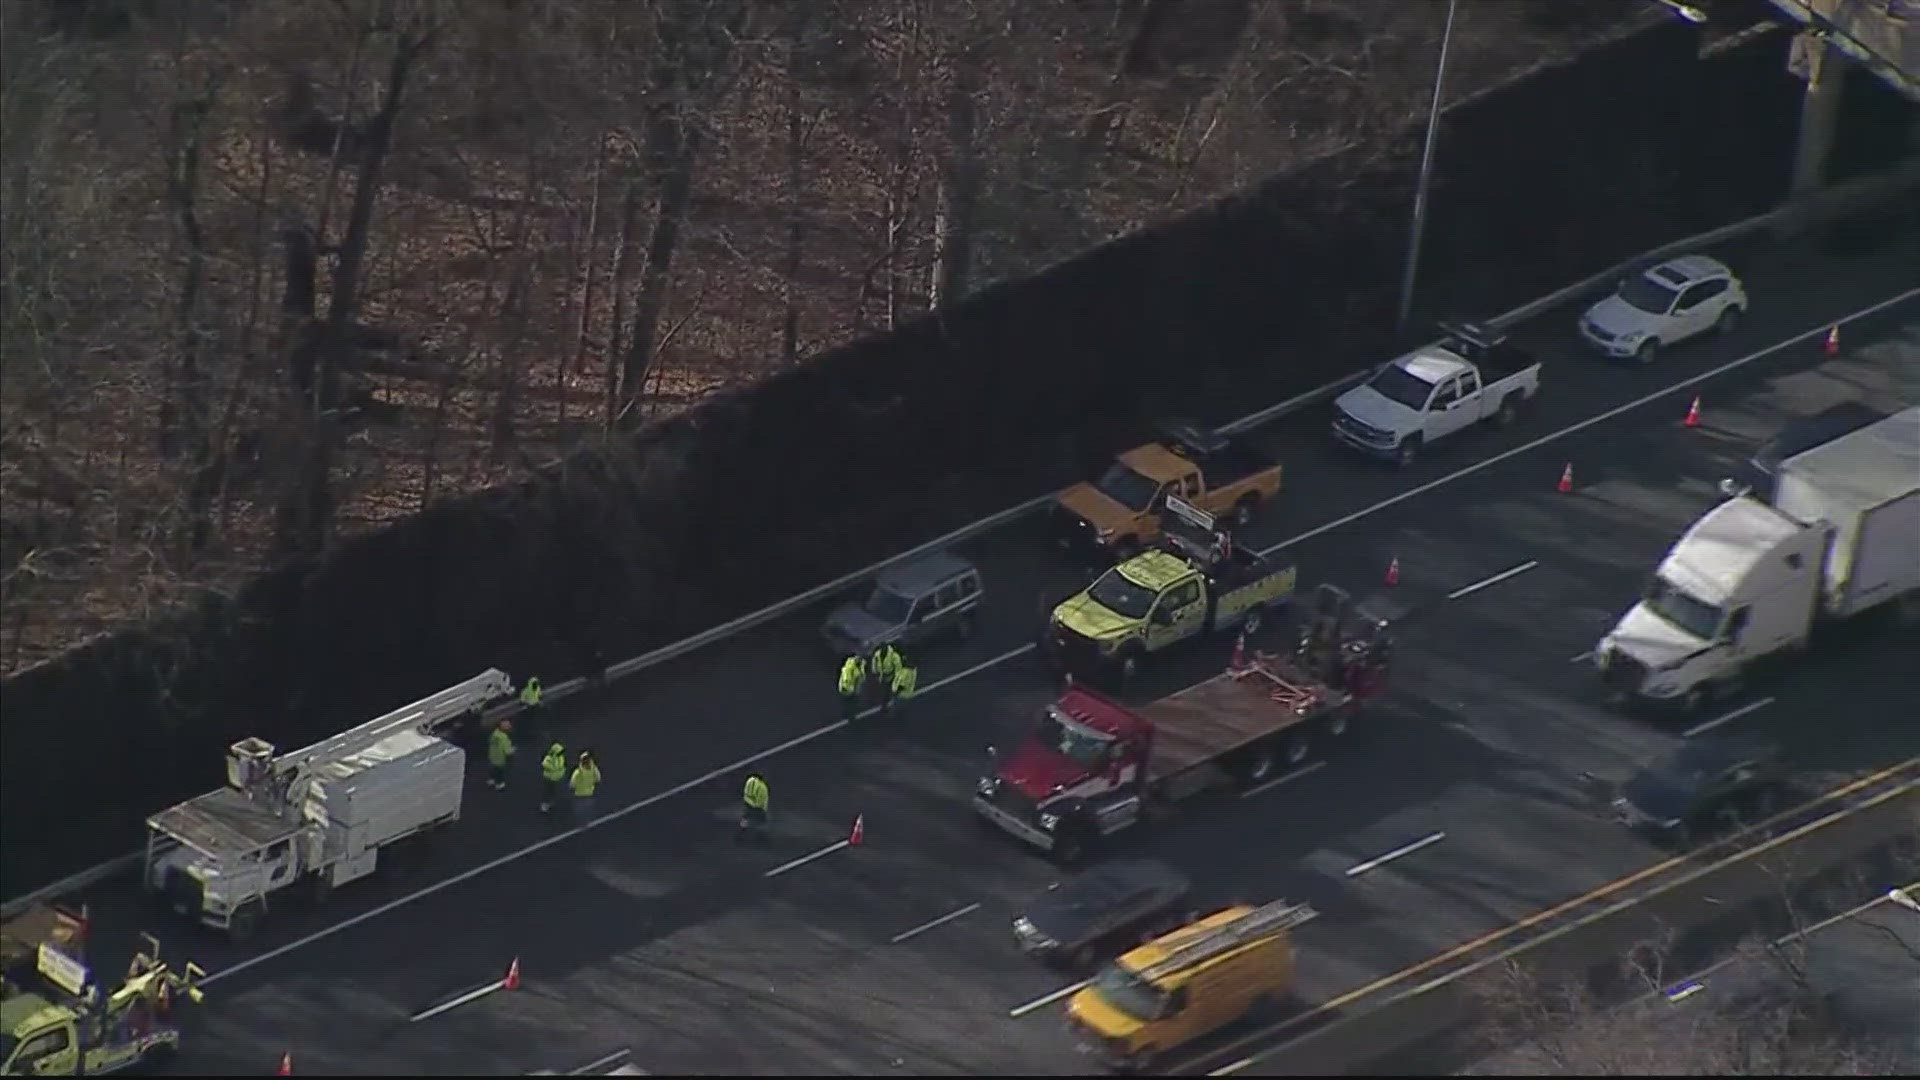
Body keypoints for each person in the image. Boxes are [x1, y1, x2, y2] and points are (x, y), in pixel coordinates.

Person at [569, 749, 602, 826]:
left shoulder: (577, 773)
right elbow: (598, 778)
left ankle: (580, 823)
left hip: (579, 794)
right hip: (589, 793)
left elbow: (572, 784)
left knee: (579, 810)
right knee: (588, 809)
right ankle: (587, 821)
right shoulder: (594, 769)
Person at [737, 772, 771, 844]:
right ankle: (760, 838)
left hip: (748, 804)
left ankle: (740, 835)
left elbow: (746, 793)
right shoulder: (763, 787)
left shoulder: (750, 781)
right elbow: (763, 799)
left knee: (745, 819)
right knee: (761, 822)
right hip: (758, 807)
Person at [837, 654, 867, 722]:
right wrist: (851, 690)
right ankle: (849, 715)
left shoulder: (860, 663)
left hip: (855, 686)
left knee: (852, 702)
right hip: (848, 688)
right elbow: (846, 681)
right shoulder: (849, 670)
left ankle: (850, 712)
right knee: (849, 702)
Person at [487, 719, 515, 790]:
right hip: (500, 758)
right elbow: (507, 750)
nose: (509, 727)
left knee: (493, 769)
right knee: (499, 772)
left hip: (492, 755)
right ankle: (499, 784)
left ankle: (491, 780)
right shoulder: (503, 737)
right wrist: (513, 750)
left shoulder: (495, 733)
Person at [539, 741, 568, 813]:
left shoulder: (560, 757)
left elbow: (562, 765)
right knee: (548, 791)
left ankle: (552, 802)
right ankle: (545, 804)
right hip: (550, 778)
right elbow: (546, 765)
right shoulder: (548, 758)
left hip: (558, 777)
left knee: (554, 791)